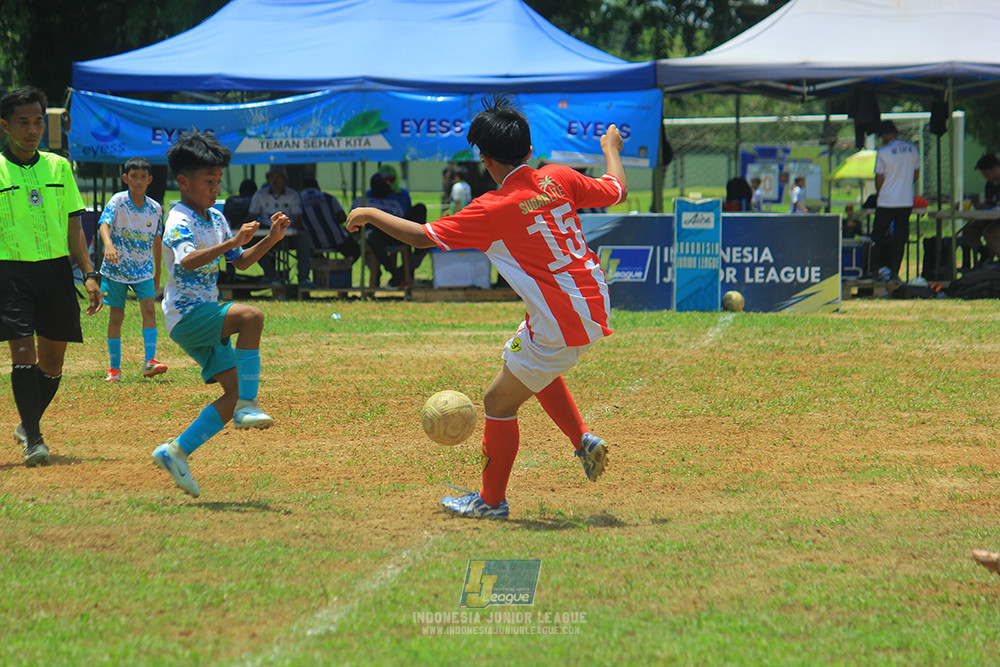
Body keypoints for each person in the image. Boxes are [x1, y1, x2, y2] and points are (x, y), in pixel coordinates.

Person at [347, 94, 626, 519]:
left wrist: (370, 212)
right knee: (524, 359)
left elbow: (423, 236)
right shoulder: (558, 177)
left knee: (497, 402)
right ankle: (582, 440)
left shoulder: (493, 208)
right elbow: (616, 190)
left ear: (485, 160)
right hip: (592, 300)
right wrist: (610, 150)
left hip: (561, 319)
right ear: (530, 151)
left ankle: (491, 501)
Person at [152, 131, 291, 498]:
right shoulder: (178, 218)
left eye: (218, 181)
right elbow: (187, 260)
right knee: (251, 316)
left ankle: (176, 451)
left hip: (203, 315)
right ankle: (249, 403)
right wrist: (231, 243)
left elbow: (240, 262)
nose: (216, 188)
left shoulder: (214, 217)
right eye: (208, 181)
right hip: (187, 314)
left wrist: (271, 238)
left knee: (230, 394)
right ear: (183, 182)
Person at [0, 86, 103, 466]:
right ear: (4, 126)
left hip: (57, 271)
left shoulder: (59, 167)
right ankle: (35, 440)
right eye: (23, 122)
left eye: (38, 121)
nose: (32, 129)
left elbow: (75, 226)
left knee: (53, 361)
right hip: (10, 272)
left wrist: (89, 273)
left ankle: (27, 423)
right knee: (22, 352)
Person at [98, 157, 166, 383]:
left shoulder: (155, 209)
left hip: (143, 269)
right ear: (125, 178)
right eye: (134, 176)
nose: (138, 181)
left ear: (150, 180)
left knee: (149, 308)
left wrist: (157, 270)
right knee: (117, 314)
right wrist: (108, 245)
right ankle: (114, 368)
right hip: (116, 268)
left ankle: (150, 361)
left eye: (143, 177)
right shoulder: (118, 201)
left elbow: (157, 239)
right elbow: (104, 224)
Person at [871, 120, 919, 280]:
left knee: (877, 237)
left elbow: (879, 178)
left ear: (885, 135)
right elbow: (915, 175)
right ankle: (894, 273)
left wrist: (880, 194)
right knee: (900, 239)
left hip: (887, 201)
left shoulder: (883, 152)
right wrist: (904, 185)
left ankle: (874, 271)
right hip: (905, 202)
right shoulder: (913, 149)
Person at [249, 165, 311, 287]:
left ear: (284, 179)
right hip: (266, 233)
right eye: (272, 177)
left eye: (278, 177)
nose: (275, 180)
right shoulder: (260, 195)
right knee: (252, 243)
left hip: (287, 233)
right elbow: (251, 217)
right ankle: (271, 275)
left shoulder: (292, 195)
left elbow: (298, 219)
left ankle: (304, 279)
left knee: (304, 240)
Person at [351, 173, 407, 288]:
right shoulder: (362, 201)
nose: (388, 188)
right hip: (373, 235)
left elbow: (402, 221)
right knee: (372, 238)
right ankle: (394, 273)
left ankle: (403, 272)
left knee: (420, 208)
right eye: (385, 185)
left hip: (394, 234)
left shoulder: (393, 203)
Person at [299, 176, 360, 264]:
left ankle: (322, 271)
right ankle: (342, 267)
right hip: (338, 240)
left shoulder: (298, 201)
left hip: (314, 243)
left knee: (310, 251)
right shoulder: (328, 197)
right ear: (317, 187)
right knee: (357, 250)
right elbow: (343, 218)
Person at [959, 154, 1000, 265]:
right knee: (968, 230)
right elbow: (989, 203)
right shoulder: (989, 185)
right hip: (991, 218)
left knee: (990, 233)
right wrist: (975, 205)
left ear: (995, 169)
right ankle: (983, 254)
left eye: (987, 175)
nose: (986, 178)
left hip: (997, 220)